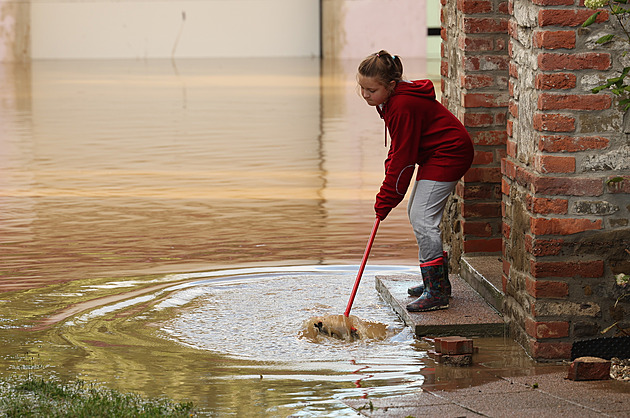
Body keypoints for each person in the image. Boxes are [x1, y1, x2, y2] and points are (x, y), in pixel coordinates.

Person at [357, 50, 474, 312]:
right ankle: (436, 281)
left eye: (371, 90)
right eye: (361, 88)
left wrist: (385, 199)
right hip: (435, 154)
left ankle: (438, 293)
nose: (366, 94)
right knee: (416, 212)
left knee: (423, 217)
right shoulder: (391, 101)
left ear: (390, 85)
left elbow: (404, 160)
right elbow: (399, 151)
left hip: (449, 153)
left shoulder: (402, 106)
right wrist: (390, 185)